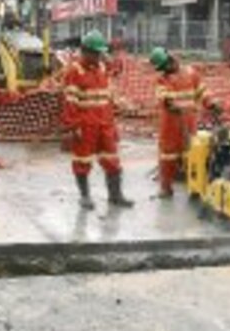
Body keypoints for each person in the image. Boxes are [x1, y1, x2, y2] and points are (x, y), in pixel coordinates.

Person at [61, 29, 133, 210]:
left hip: (105, 123)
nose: (100, 56)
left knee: (112, 160)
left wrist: (112, 124)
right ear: (86, 51)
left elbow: (110, 87)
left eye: (101, 53)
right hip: (85, 125)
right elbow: (70, 102)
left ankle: (115, 195)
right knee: (82, 161)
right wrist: (73, 126)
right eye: (97, 53)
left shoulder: (101, 67)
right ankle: (85, 196)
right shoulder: (74, 72)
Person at [150, 47, 220, 198]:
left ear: (169, 60)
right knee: (167, 156)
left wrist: (212, 103)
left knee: (193, 155)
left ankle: (195, 187)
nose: (163, 70)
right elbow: (161, 95)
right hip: (170, 123)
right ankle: (166, 188)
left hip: (188, 122)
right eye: (161, 69)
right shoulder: (162, 79)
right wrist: (169, 103)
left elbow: (202, 91)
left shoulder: (190, 73)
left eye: (164, 67)